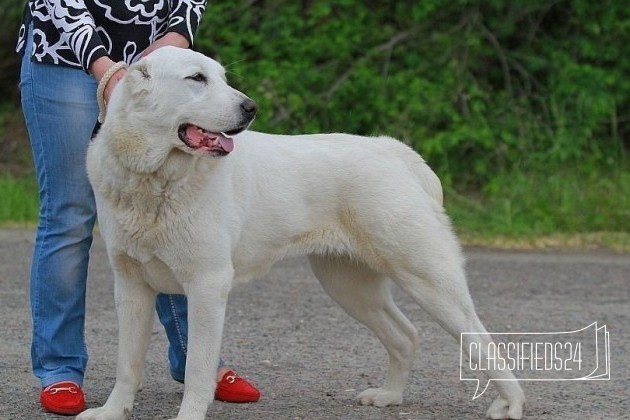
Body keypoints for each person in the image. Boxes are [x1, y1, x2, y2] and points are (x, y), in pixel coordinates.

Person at [16, 1, 260, 415]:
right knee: (69, 212)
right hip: (63, 55)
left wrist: (178, 34)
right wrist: (104, 67)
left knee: (175, 211)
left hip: (159, 56)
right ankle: (60, 369)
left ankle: (195, 363)